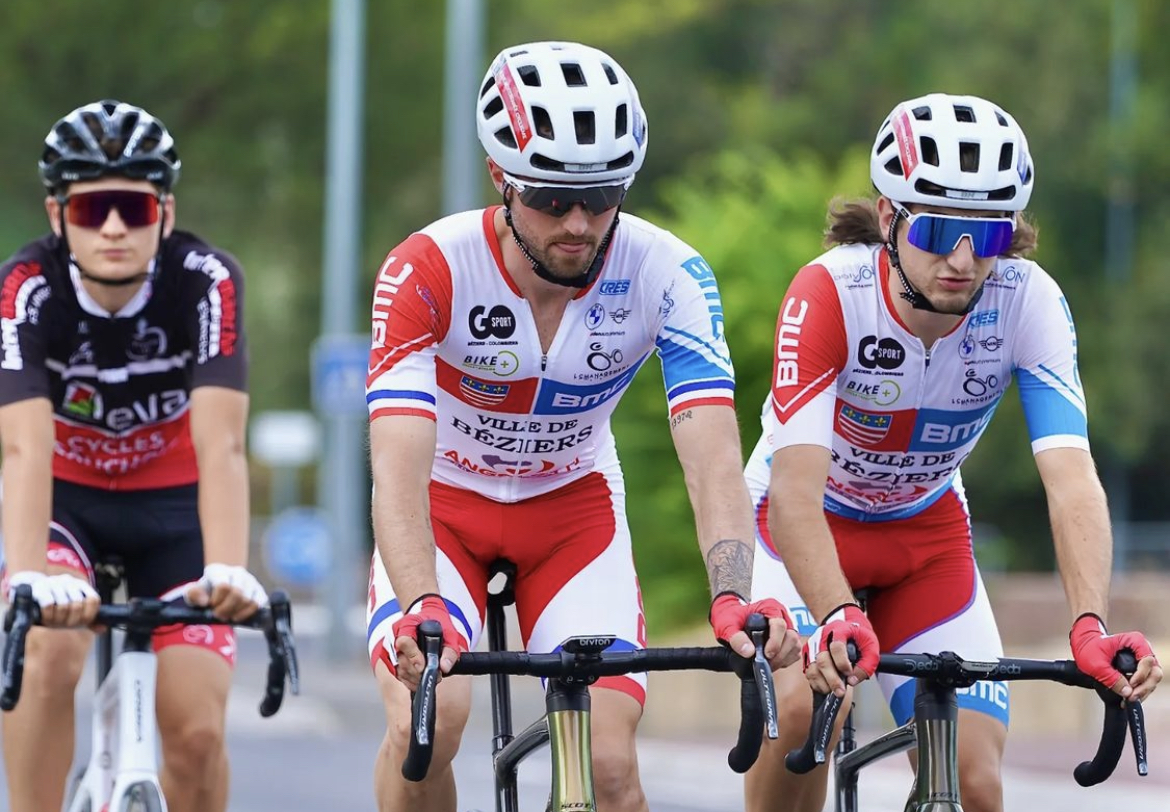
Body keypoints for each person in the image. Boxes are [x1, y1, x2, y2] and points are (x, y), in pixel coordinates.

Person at [364, 40, 799, 812]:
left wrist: (735, 592)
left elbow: (710, 455)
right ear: (500, 178)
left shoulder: (670, 273)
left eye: (601, 196)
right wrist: (420, 599)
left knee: (608, 762)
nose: (578, 222)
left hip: (572, 512)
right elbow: (396, 471)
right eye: (549, 197)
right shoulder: (425, 268)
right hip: (444, 513)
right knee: (429, 722)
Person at [742, 92, 1162, 812]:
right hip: (809, 528)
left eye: (989, 237)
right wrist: (835, 609)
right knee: (809, 714)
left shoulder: (1029, 301)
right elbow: (793, 495)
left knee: (973, 780)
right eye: (937, 230)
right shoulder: (829, 292)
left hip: (925, 534)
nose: (964, 261)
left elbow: (1071, 481)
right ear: (888, 218)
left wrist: (1089, 622)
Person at [0, 99, 268, 812]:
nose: (115, 227)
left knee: (197, 736)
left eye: (134, 207)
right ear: (58, 218)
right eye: (92, 211)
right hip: (67, 506)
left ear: (166, 212)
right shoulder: (25, 288)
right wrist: (27, 574)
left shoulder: (207, 280)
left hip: (177, 510)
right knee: (47, 655)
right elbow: (24, 445)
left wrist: (230, 568)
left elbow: (223, 444)